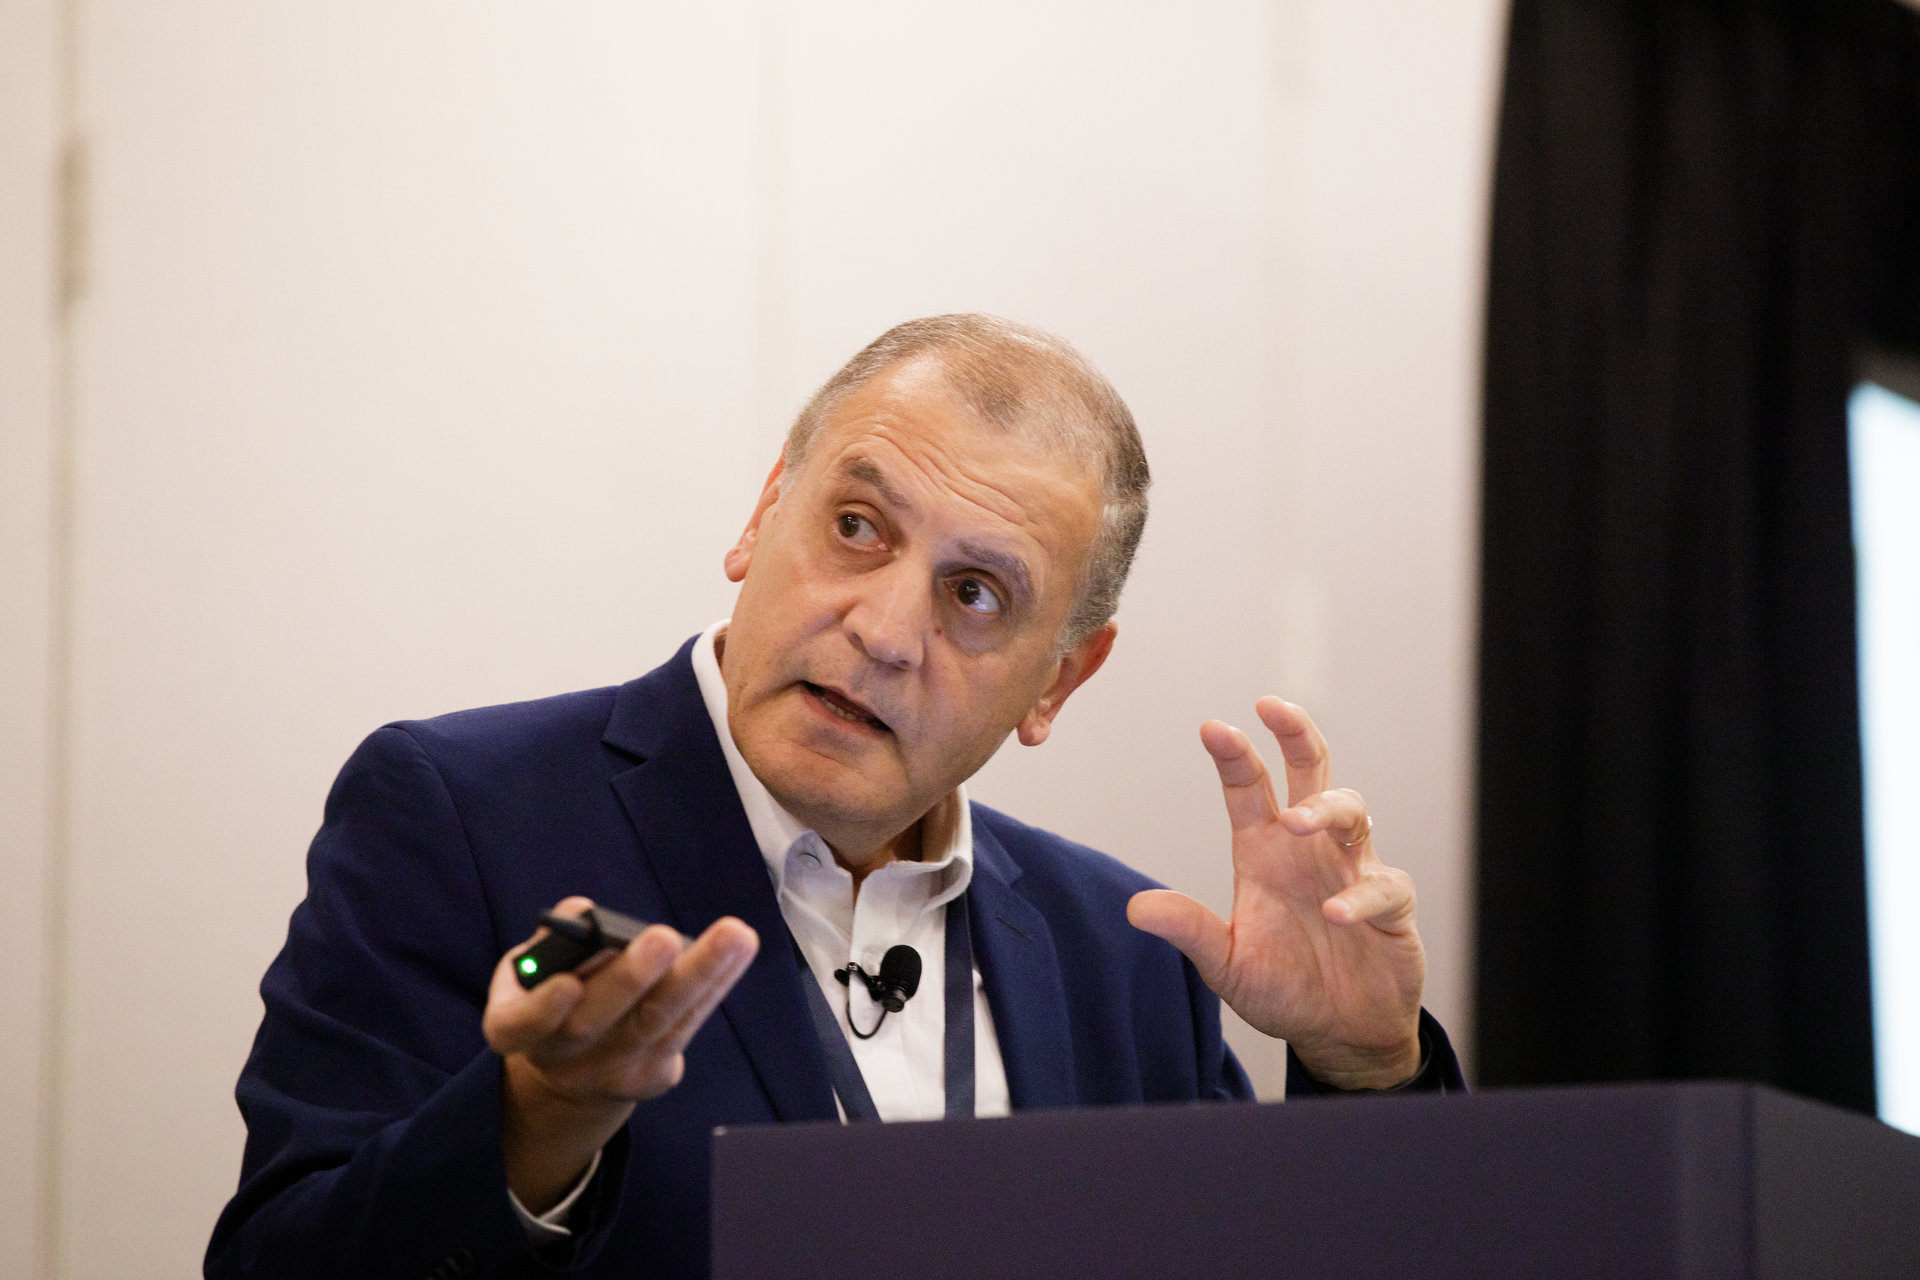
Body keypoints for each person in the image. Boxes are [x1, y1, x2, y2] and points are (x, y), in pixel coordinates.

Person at [206, 314, 1462, 1280]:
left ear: (1060, 678)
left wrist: (1370, 1075)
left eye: (977, 594)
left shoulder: (1130, 954)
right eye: (858, 525)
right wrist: (537, 1120)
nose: (884, 629)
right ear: (764, 514)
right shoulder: (461, 816)